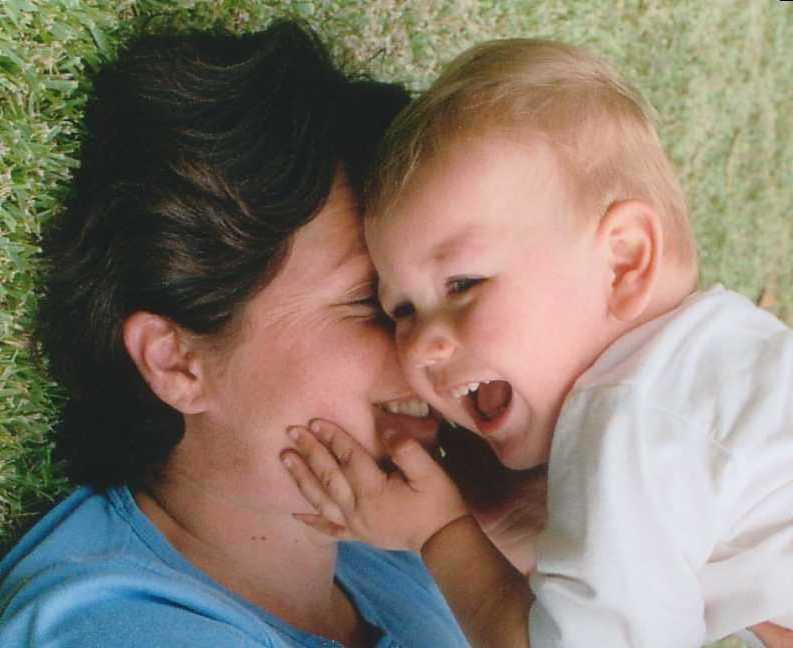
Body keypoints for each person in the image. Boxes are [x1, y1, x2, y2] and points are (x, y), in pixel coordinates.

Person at [280, 38, 793, 647]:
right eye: (400, 310)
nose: (418, 348)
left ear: (623, 262)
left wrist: (439, 533)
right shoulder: (730, 357)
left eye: (464, 283)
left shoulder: (630, 423)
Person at [0, 20, 479, 647]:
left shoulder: (399, 551)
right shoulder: (115, 629)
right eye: (371, 303)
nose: (432, 348)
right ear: (177, 362)